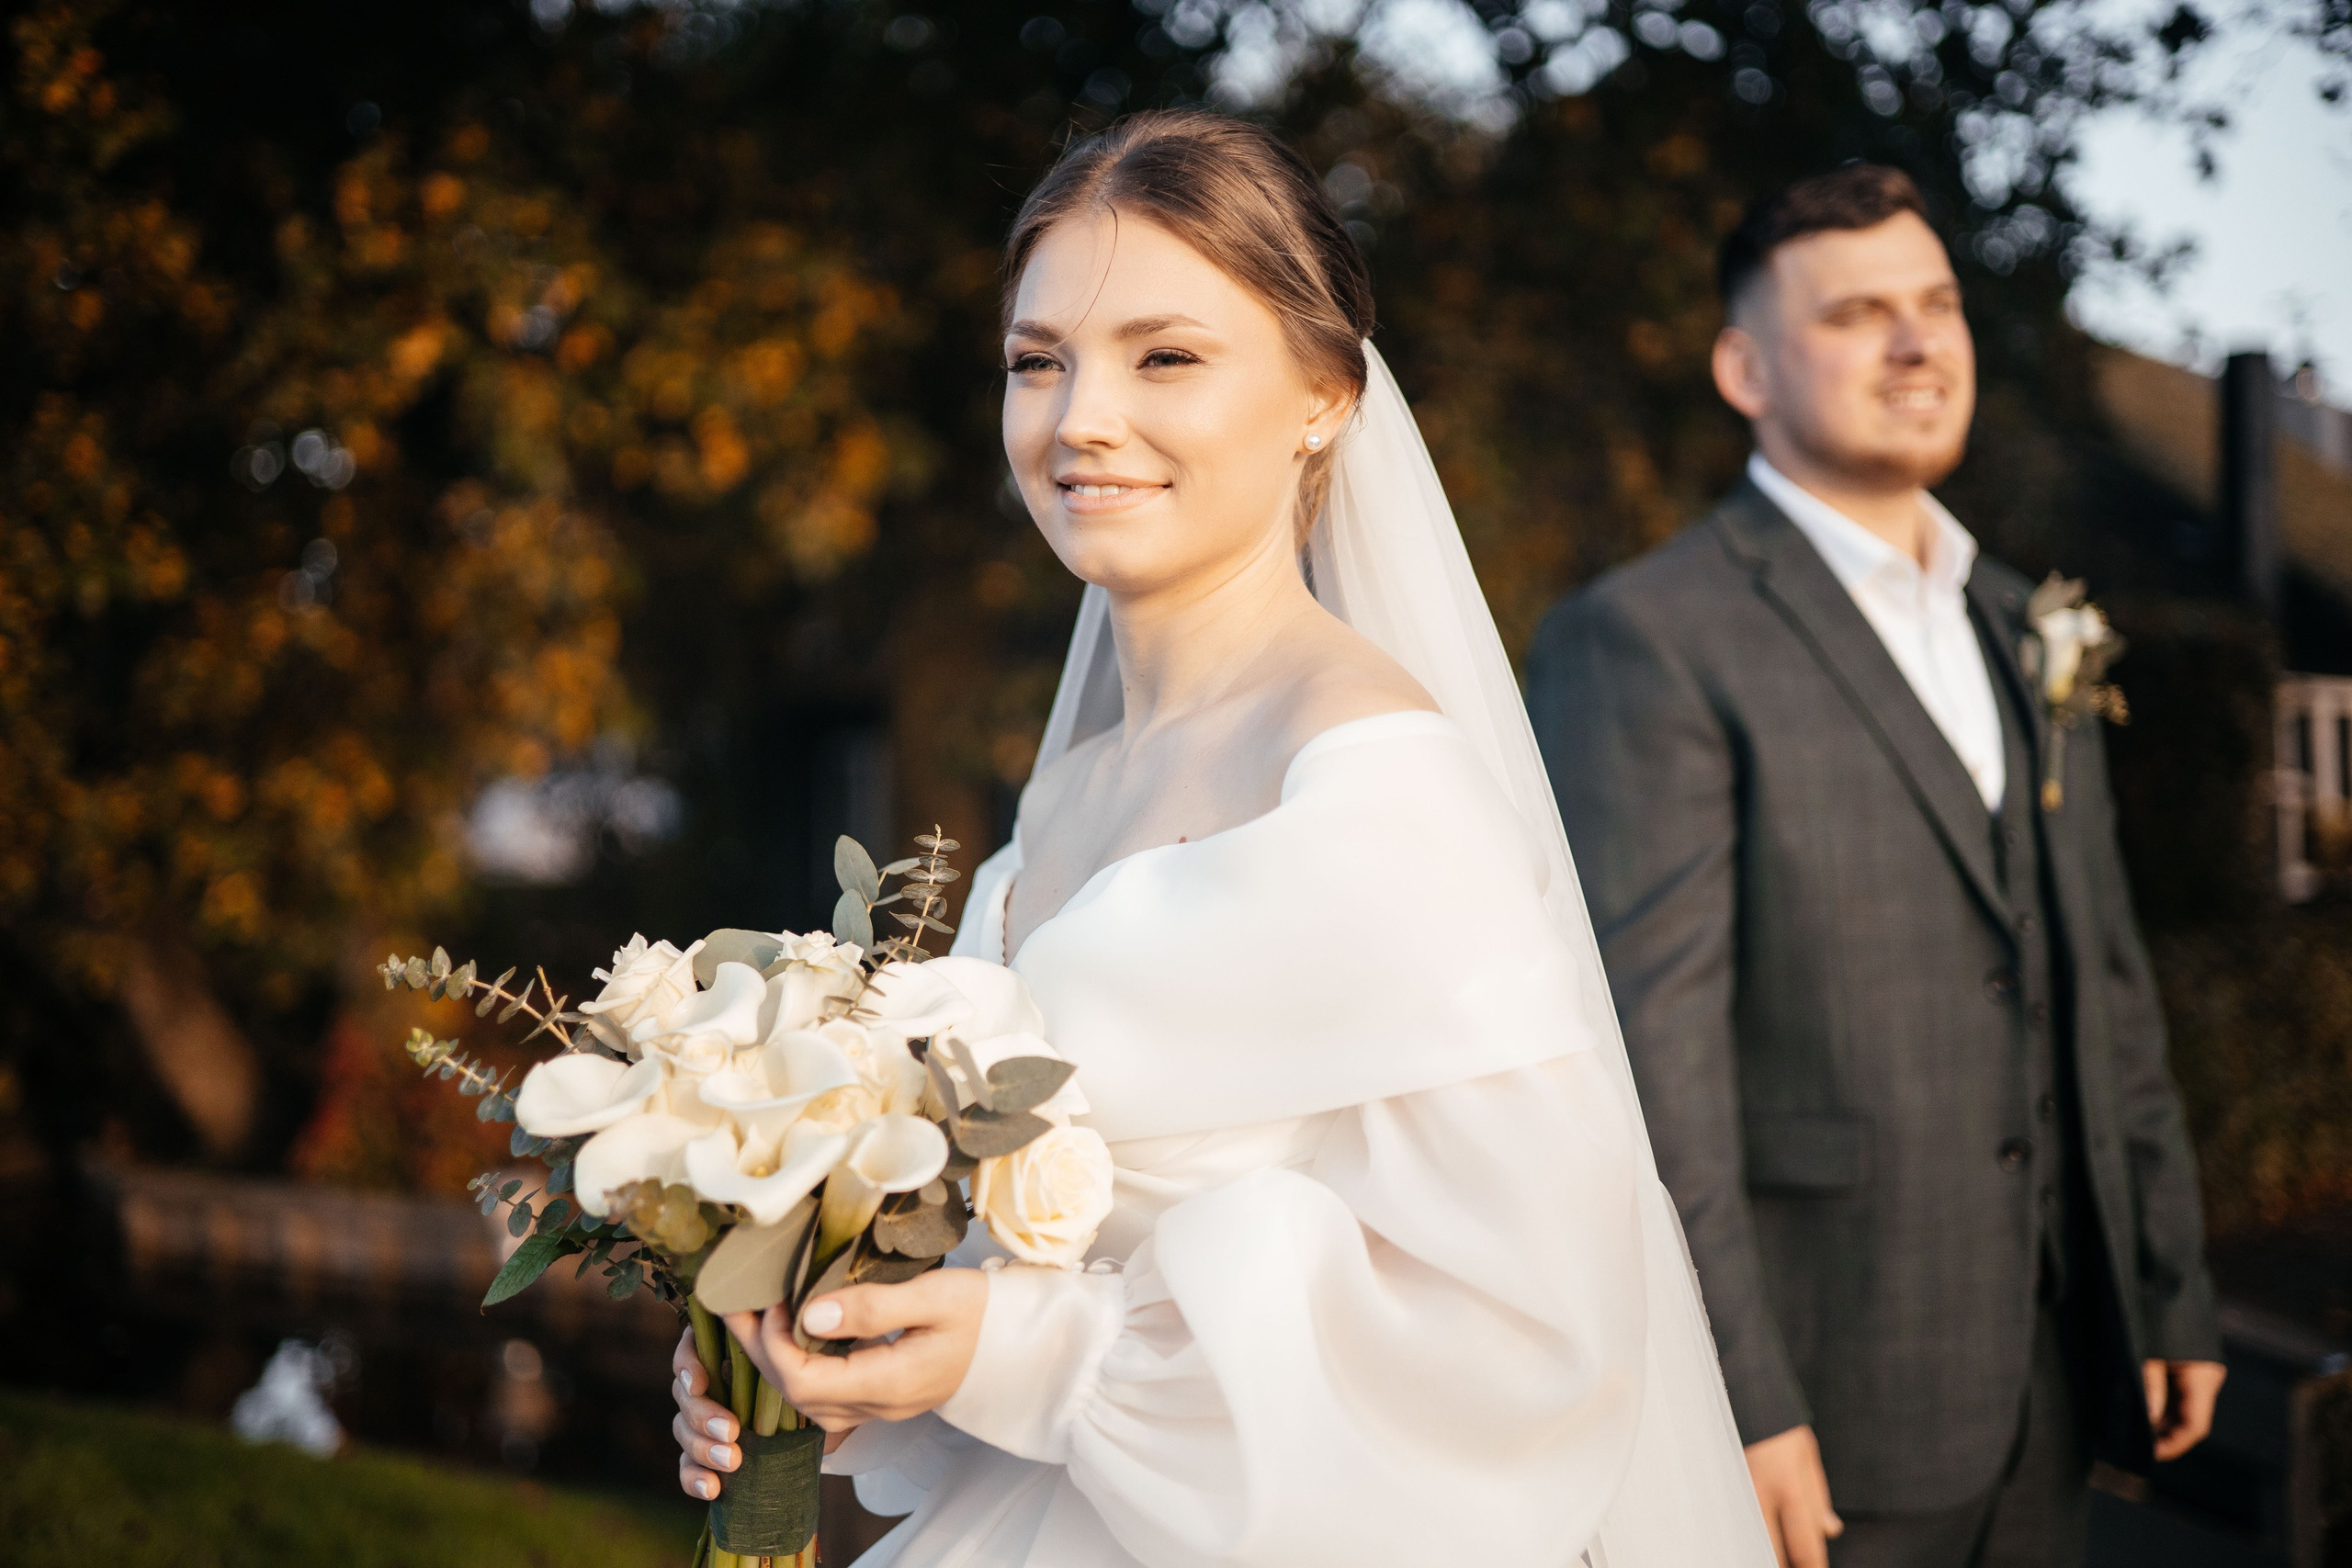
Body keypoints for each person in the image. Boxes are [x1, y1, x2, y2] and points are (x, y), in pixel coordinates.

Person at [664, 111, 1772, 1566]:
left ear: (1322, 395)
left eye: (1164, 355)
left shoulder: (1378, 787)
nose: (1079, 420)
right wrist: (836, 1369)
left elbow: (1529, 1333)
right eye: (1037, 360)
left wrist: (1039, 1357)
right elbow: (1025, 1274)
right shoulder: (1063, 799)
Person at [1522, 164, 2225, 1568]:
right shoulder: (1653, 638)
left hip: (2053, 1370)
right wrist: (1740, 1399)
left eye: (1937, 305)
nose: (1918, 345)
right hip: (1820, 1396)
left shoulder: (2030, 625)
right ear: (1745, 365)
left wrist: (2168, 1285)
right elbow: (1651, 1062)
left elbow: (2101, 971)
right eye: (1858, 315)